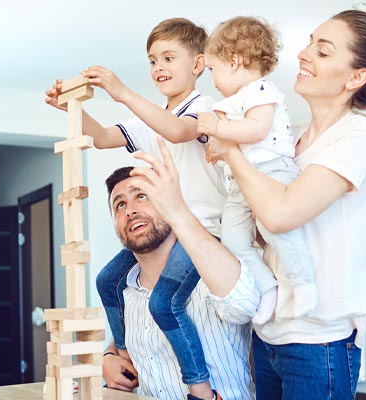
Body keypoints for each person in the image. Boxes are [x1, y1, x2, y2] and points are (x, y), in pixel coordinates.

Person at [210, 9, 366, 399]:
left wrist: (231, 152)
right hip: (269, 336)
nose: (305, 54)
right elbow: (268, 229)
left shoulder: (357, 137)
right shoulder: (291, 141)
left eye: (323, 50)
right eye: (310, 42)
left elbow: (280, 215)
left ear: (355, 77)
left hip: (319, 344)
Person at [44, 18, 226, 400]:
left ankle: (199, 387)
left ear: (198, 65)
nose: (158, 67)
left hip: (199, 232)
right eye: (152, 60)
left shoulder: (203, 106)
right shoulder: (152, 120)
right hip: (170, 232)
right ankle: (123, 350)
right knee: (107, 280)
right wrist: (70, 110)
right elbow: (106, 137)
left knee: (163, 301)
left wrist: (122, 91)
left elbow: (179, 131)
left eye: (168, 58)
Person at [101, 163, 257, 400]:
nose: (130, 210)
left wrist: (180, 214)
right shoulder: (126, 295)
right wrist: (109, 356)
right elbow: (141, 339)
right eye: (120, 204)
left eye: (141, 196)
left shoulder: (212, 276)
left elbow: (246, 303)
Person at [196, 16, 316, 324]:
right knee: (233, 241)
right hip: (240, 184)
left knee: (274, 230)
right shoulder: (230, 101)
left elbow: (256, 130)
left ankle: (304, 283)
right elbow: (228, 143)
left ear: (234, 61)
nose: (212, 79)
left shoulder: (262, 91)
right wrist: (216, 147)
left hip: (271, 173)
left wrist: (219, 127)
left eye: (213, 69)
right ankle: (267, 286)